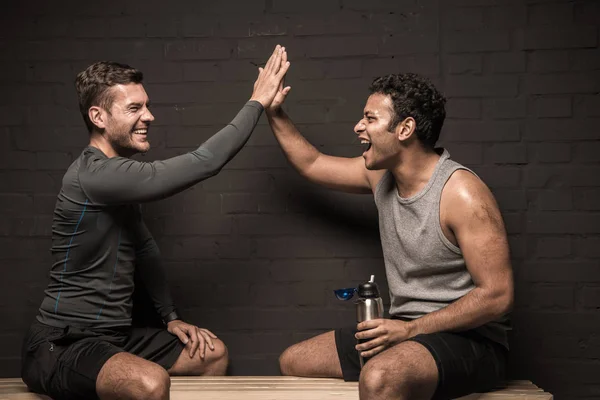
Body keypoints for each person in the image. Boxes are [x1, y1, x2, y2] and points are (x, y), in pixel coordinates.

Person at [20, 45, 290, 400]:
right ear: (99, 117)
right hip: (63, 343)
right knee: (148, 383)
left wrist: (170, 317)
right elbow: (204, 161)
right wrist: (256, 102)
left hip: (115, 336)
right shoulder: (93, 174)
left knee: (211, 356)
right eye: (134, 108)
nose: (149, 116)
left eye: (146, 105)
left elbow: (145, 248)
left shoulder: (117, 183)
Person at [266, 72, 514, 400]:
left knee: (380, 378)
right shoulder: (380, 176)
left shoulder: (462, 194)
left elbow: (497, 296)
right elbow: (312, 163)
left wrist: (411, 329)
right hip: (403, 330)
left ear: (405, 129)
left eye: (370, 118)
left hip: (472, 340)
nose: (358, 126)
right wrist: (274, 112)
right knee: (295, 361)